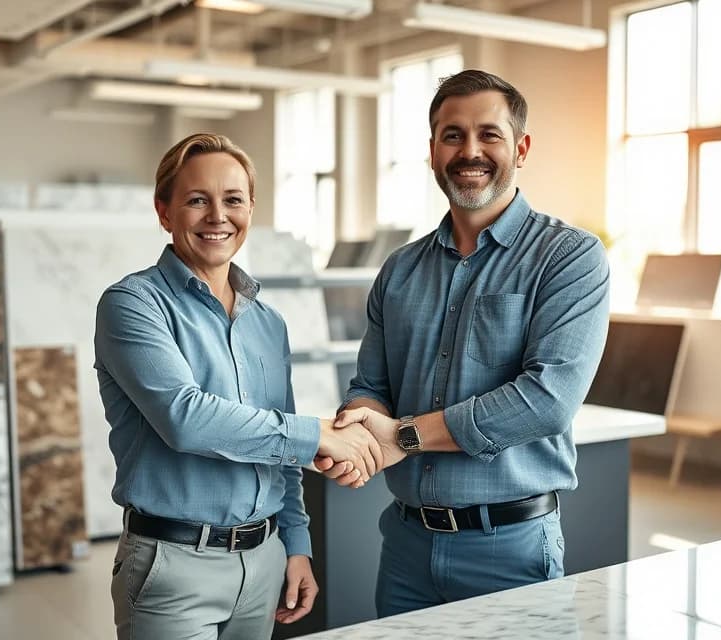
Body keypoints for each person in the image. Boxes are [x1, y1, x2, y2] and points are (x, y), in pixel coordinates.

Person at [317, 69, 611, 615]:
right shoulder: (399, 269)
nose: (469, 151)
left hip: (510, 550)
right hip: (405, 547)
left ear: (521, 148)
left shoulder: (569, 257)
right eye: (453, 135)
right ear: (432, 150)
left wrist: (402, 437)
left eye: (488, 134)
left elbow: (547, 400)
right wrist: (362, 431)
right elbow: (371, 386)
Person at [94, 132, 381, 640]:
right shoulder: (133, 304)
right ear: (164, 211)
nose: (217, 216)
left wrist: (296, 545)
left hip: (264, 563)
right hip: (174, 568)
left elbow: (280, 456)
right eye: (196, 200)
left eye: (232, 200)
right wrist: (318, 434)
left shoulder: (268, 323)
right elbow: (186, 419)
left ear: (250, 209)